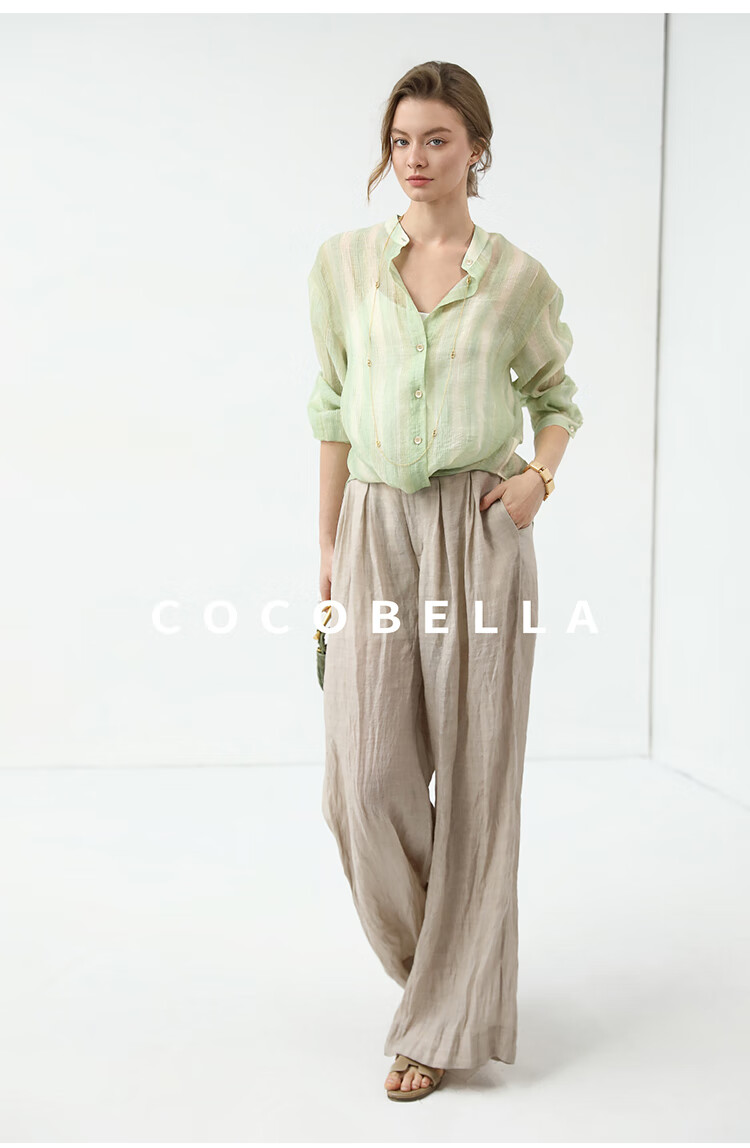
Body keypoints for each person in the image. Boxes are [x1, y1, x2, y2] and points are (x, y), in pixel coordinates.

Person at [306, 60, 583, 1102]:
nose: (414, 159)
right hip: (374, 520)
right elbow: (332, 406)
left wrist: (537, 482)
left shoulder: (517, 278)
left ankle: (437, 1021)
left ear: (477, 147)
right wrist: (327, 548)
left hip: (480, 524)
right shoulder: (343, 265)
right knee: (364, 781)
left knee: (476, 777)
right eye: (401, 141)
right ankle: (448, 981)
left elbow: (557, 396)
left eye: (436, 139)